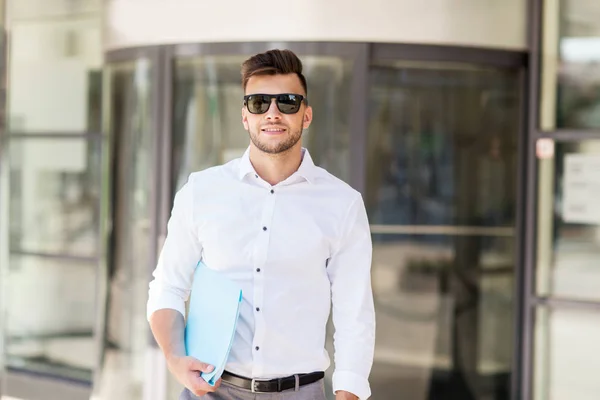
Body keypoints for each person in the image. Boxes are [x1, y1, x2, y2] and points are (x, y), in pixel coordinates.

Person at [147, 49, 375, 400]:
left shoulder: (342, 204)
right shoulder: (201, 192)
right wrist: (175, 358)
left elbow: (353, 312)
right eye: (258, 103)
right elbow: (168, 287)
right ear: (244, 116)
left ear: (307, 114)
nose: (273, 113)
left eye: (287, 102)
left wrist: (347, 394)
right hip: (211, 390)